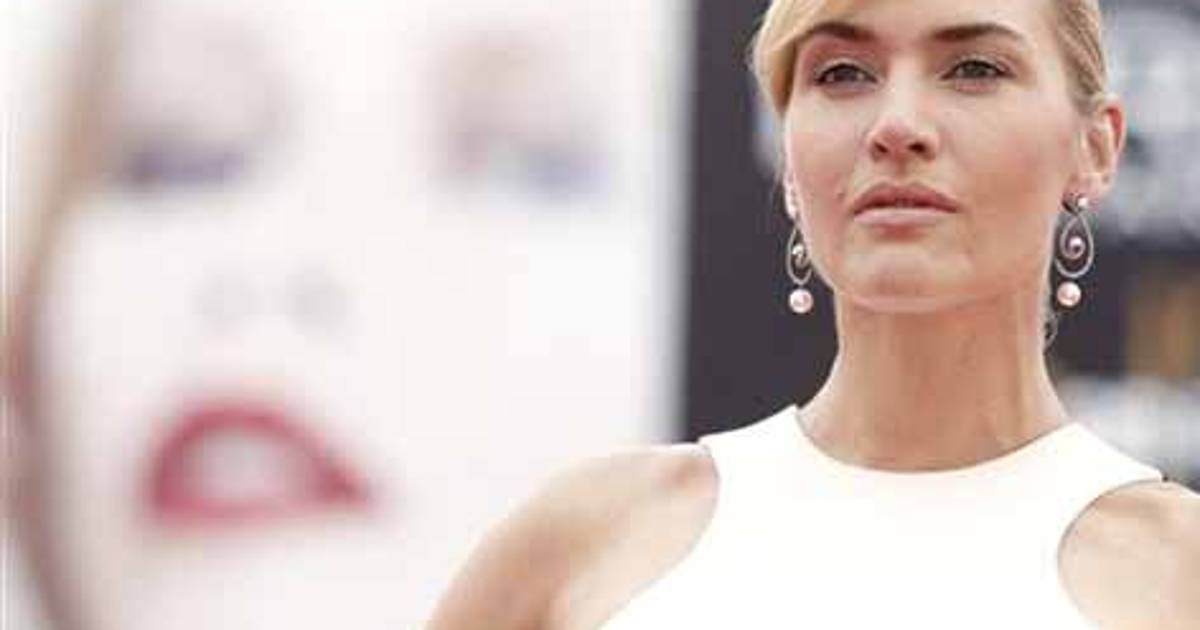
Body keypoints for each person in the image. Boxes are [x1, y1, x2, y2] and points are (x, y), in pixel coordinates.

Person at [426, 0, 1200, 628]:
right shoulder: (589, 544)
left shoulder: (1177, 572)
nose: (897, 125)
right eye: (842, 73)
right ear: (787, 150)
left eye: (974, 68)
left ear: (1096, 147)